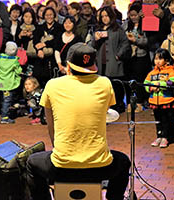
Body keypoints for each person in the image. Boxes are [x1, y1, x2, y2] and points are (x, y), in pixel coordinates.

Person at [26, 43, 131, 200]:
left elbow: (51, 127)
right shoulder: (104, 83)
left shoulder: (52, 85)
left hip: (62, 166)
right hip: (99, 167)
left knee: (31, 163)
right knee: (123, 162)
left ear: (68, 66)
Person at [92, 6, 131, 113]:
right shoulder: (97, 30)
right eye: (102, 16)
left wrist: (118, 55)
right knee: (103, 85)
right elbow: (92, 45)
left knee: (115, 84)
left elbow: (125, 43)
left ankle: (118, 105)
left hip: (114, 61)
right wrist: (95, 39)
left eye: (106, 16)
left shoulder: (118, 29)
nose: (104, 18)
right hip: (101, 62)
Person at [144, 48, 174, 148]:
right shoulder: (152, 73)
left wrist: (159, 84)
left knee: (166, 119)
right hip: (154, 101)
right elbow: (146, 83)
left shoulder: (170, 71)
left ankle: (165, 137)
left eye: (160, 59)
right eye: (156, 59)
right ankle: (159, 135)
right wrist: (150, 88)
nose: (157, 61)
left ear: (166, 60)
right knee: (157, 120)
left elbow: (172, 82)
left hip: (166, 100)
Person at [123, 3, 152, 112]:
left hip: (141, 55)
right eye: (131, 15)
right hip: (129, 56)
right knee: (129, 78)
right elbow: (121, 38)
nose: (133, 17)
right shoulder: (126, 25)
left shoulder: (145, 24)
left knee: (140, 79)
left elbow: (147, 41)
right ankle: (130, 103)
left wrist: (136, 40)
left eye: (135, 15)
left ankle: (140, 102)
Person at [0, 41, 22, 124]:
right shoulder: (14, 61)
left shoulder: (0, 59)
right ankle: (4, 117)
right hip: (8, 84)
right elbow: (18, 71)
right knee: (7, 100)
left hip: (1, 83)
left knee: (3, 100)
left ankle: (4, 114)